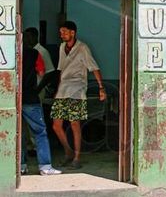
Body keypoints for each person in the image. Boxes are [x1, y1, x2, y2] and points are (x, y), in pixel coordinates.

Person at [51, 21, 105, 170]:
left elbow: (94, 68)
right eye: (60, 32)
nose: (61, 34)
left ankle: (77, 157)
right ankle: (68, 152)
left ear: (72, 32)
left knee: (74, 124)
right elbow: (61, 69)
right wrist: (57, 89)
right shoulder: (62, 47)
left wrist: (101, 87)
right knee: (56, 125)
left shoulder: (82, 48)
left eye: (64, 32)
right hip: (63, 89)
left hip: (77, 89)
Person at [21, 30, 62, 175]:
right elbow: (41, 72)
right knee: (40, 132)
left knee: (19, 133)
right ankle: (45, 166)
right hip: (31, 98)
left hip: (14, 98)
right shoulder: (34, 53)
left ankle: (21, 166)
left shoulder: (10, 52)